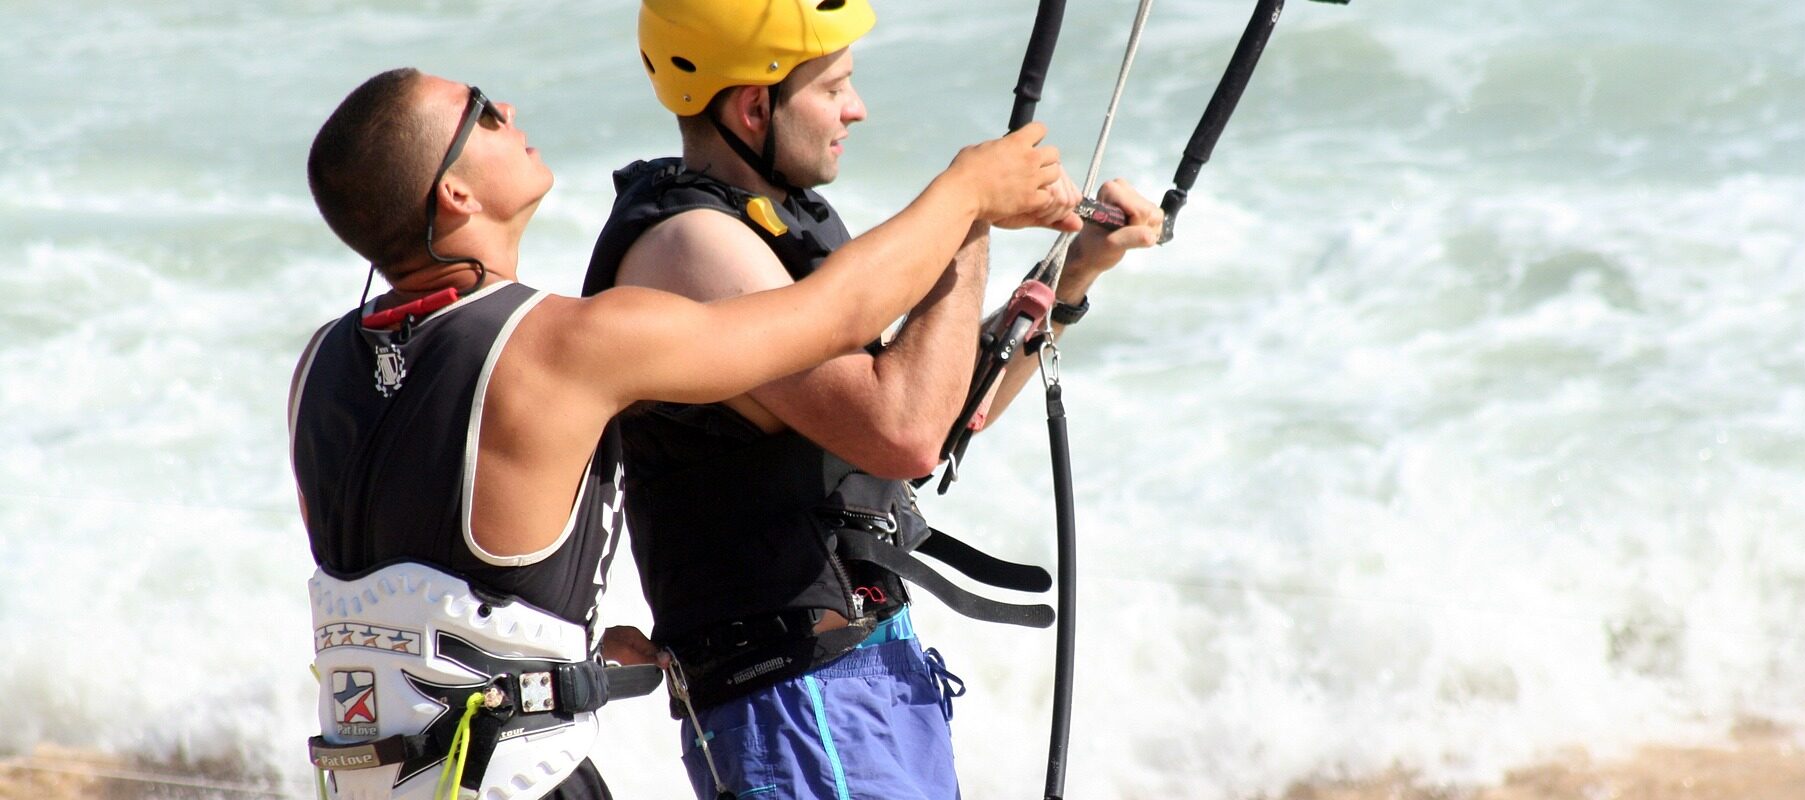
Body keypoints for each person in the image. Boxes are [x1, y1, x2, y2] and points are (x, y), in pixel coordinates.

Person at [290, 66, 1076, 800]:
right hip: (521, 778)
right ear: (455, 192)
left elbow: (418, 584)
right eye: (486, 113)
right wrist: (966, 193)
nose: (512, 113)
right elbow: (836, 315)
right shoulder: (561, 344)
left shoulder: (319, 366)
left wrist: (558, 656)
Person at [580, 1, 1165, 797]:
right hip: (792, 697)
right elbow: (902, 431)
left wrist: (1071, 277)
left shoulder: (782, 224)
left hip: (870, 671)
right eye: (837, 87)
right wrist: (967, 210)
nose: (857, 109)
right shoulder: (688, 246)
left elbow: (934, 412)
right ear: (756, 105)